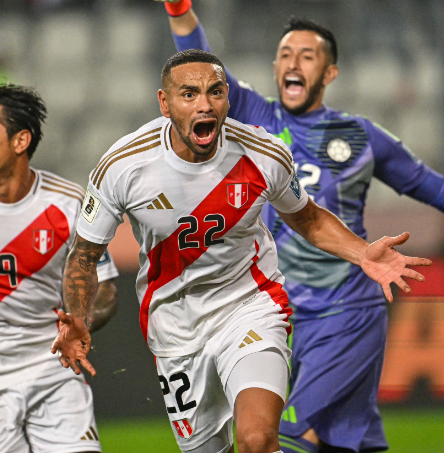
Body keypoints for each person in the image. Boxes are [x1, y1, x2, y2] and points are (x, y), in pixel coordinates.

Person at [51, 49, 431, 453]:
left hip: (249, 306)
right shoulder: (123, 166)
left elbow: (308, 218)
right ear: (164, 103)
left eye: (215, 92)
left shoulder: (263, 153)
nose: (205, 105)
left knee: (257, 438)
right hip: (174, 327)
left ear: (227, 98)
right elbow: (84, 254)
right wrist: (77, 317)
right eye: (189, 94)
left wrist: (362, 253)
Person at [145, 0, 444, 453]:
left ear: (328, 73)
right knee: (347, 442)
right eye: (285, 53)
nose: (293, 62)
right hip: (281, 310)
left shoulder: (362, 136)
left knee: (277, 436)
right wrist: (180, 8)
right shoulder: (255, 117)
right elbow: (202, 69)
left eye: (307, 55)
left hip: (345, 309)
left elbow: (432, 188)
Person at [0, 83, 119, 453]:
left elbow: (108, 290)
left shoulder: (68, 206)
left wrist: (79, 321)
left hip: (52, 368)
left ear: (21, 141)